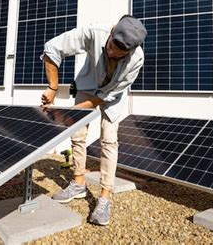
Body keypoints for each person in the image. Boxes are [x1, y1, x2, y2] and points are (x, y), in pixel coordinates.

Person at [40, 15, 147, 225]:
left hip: (112, 95)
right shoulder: (94, 32)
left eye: (118, 55)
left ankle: (105, 198)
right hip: (87, 85)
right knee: (78, 134)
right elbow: (52, 48)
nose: (112, 54)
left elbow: (105, 97)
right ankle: (78, 183)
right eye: (110, 48)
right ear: (112, 31)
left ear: (131, 50)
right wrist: (53, 88)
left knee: (109, 140)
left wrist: (69, 113)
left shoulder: (137, 59)